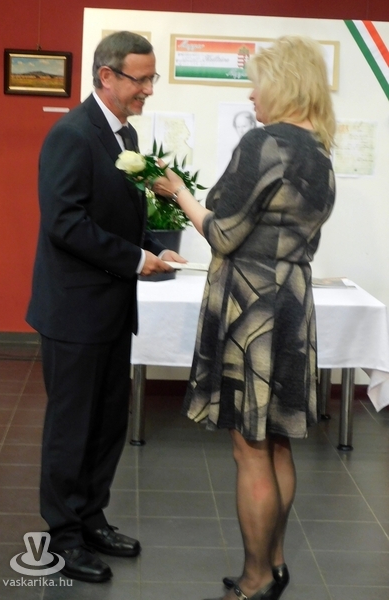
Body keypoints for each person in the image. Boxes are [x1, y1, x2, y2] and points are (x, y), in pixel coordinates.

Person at [153, 35, 336, 600]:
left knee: (249, 448)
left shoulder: (265, 142)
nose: (252, 96)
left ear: (283, 84)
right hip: (292, 303)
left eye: (257, 85)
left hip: (250, 307)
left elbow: (224, 234)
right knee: (277, 442)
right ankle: (275, 564)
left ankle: (255, 580)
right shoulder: (320, 153)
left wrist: (178, 193)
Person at [26, 31, 185, 584]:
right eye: (140, 79)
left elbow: (115, 211)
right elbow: (65, 223)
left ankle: (92, 518)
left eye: (151, 78)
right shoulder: (71, 134)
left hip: (113, 309)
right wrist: (135, 259)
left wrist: (155, 243)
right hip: (75, 312)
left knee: (107, 423)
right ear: (106, 76)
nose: (148, 90)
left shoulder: (125, 134)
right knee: (72, 428)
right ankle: (63, 537)